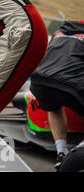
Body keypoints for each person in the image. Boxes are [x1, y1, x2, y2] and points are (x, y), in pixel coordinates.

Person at [30, 20, 84, 167]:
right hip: (70, 83)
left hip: (39, 81)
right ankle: (80, 151)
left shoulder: (59, 32)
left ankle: (61, 152)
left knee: (53, 107)